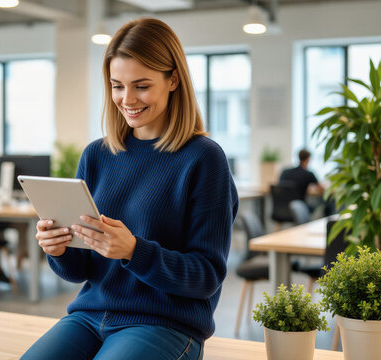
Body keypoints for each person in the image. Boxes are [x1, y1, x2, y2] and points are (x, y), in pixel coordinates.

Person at [21, 18, 238, 360]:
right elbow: (78, 272)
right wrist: (59, 249)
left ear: (173, 80)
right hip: (90, 316)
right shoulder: (97, 155)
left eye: (141, 86)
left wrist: (134, 250)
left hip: (164, 323)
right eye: (117, 86)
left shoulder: (204, 159)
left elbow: (207, 276)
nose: (127, 99)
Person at [279, 149, 334, 215]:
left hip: (283, 208)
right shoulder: (308, 174)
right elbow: (322, 189)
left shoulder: (286, 172)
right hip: (300, 207)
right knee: (326, 201)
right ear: (308, 160)